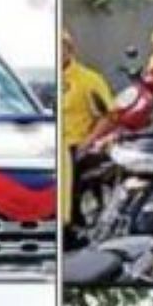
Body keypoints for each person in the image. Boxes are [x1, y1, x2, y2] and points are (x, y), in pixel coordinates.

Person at [59, 30, 115, 224]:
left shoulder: (89, 80)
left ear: (70, 49)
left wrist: (87, 142)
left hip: (74, 146)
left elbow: (109, 115)